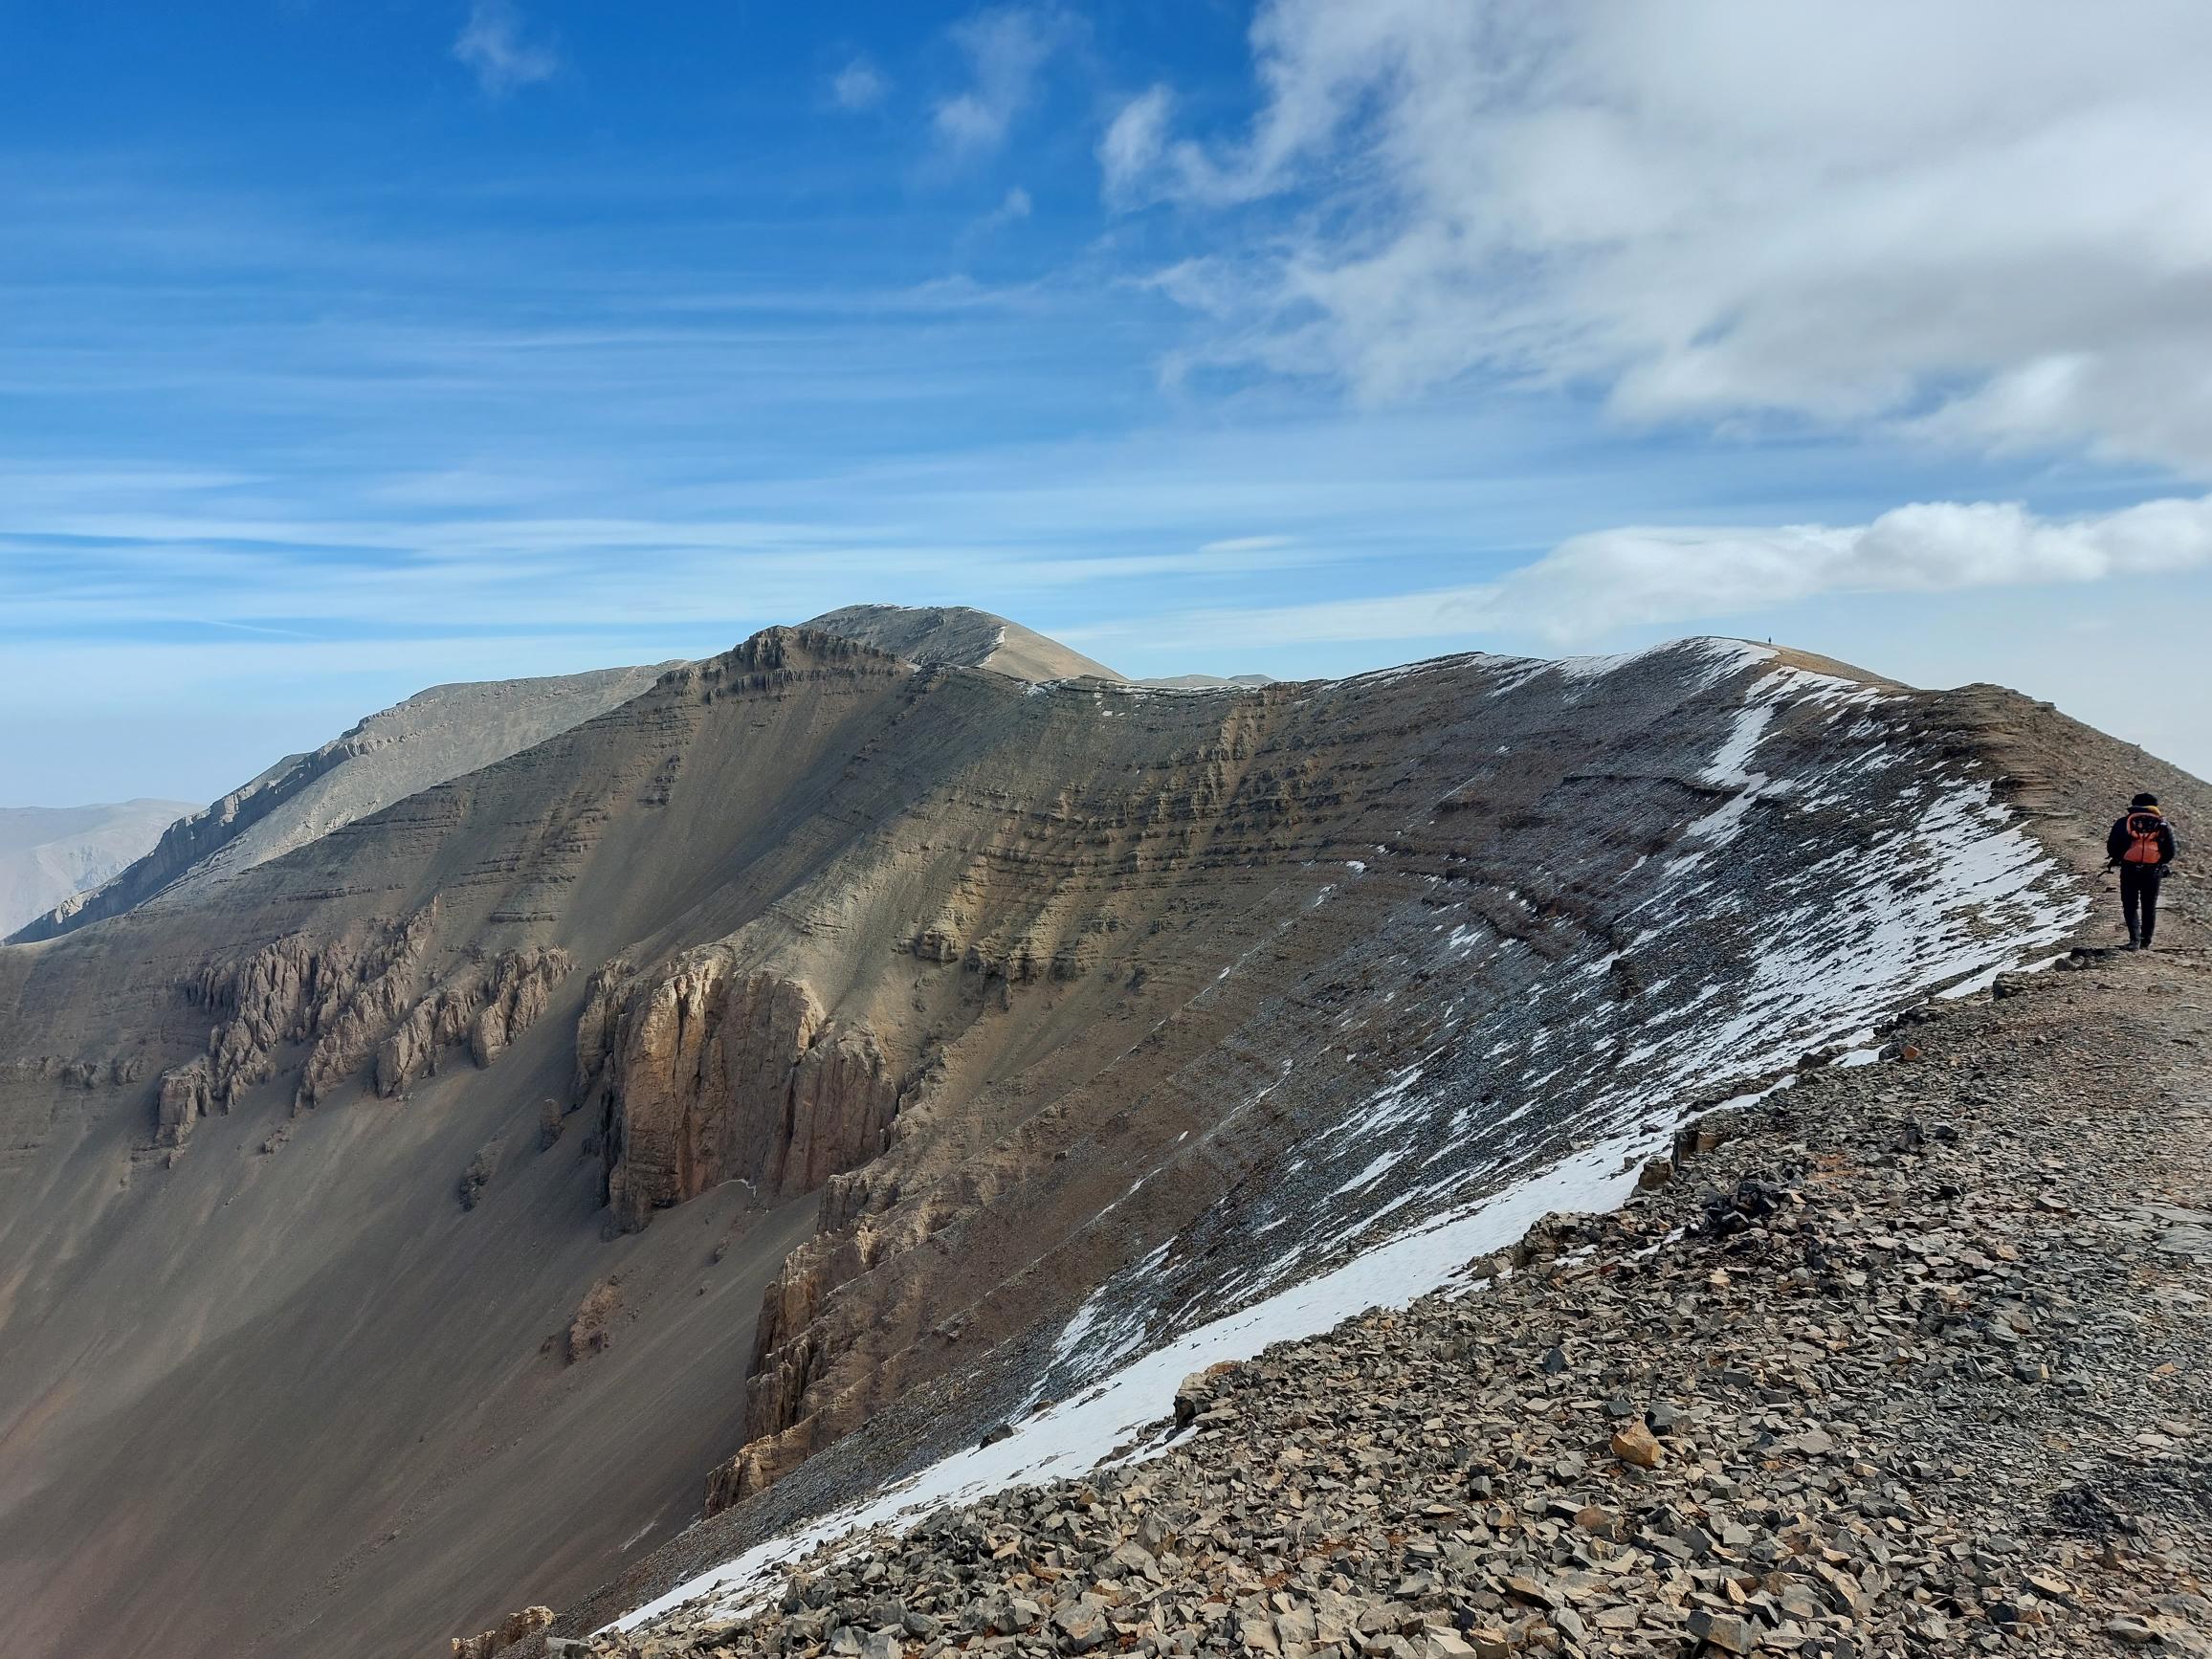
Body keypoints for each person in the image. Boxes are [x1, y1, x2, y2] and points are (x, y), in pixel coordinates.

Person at [2106, 792, 2177, 949]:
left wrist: (2121, 859)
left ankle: (2134, 940)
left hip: (2129, 868)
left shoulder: (2124, 822)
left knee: (2130, 904)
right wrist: (2160, 862)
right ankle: (2146, 942)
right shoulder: (2162, 824)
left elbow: (2112, 846)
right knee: (2149, 905)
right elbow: (2171, 850)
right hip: (2153, 870)